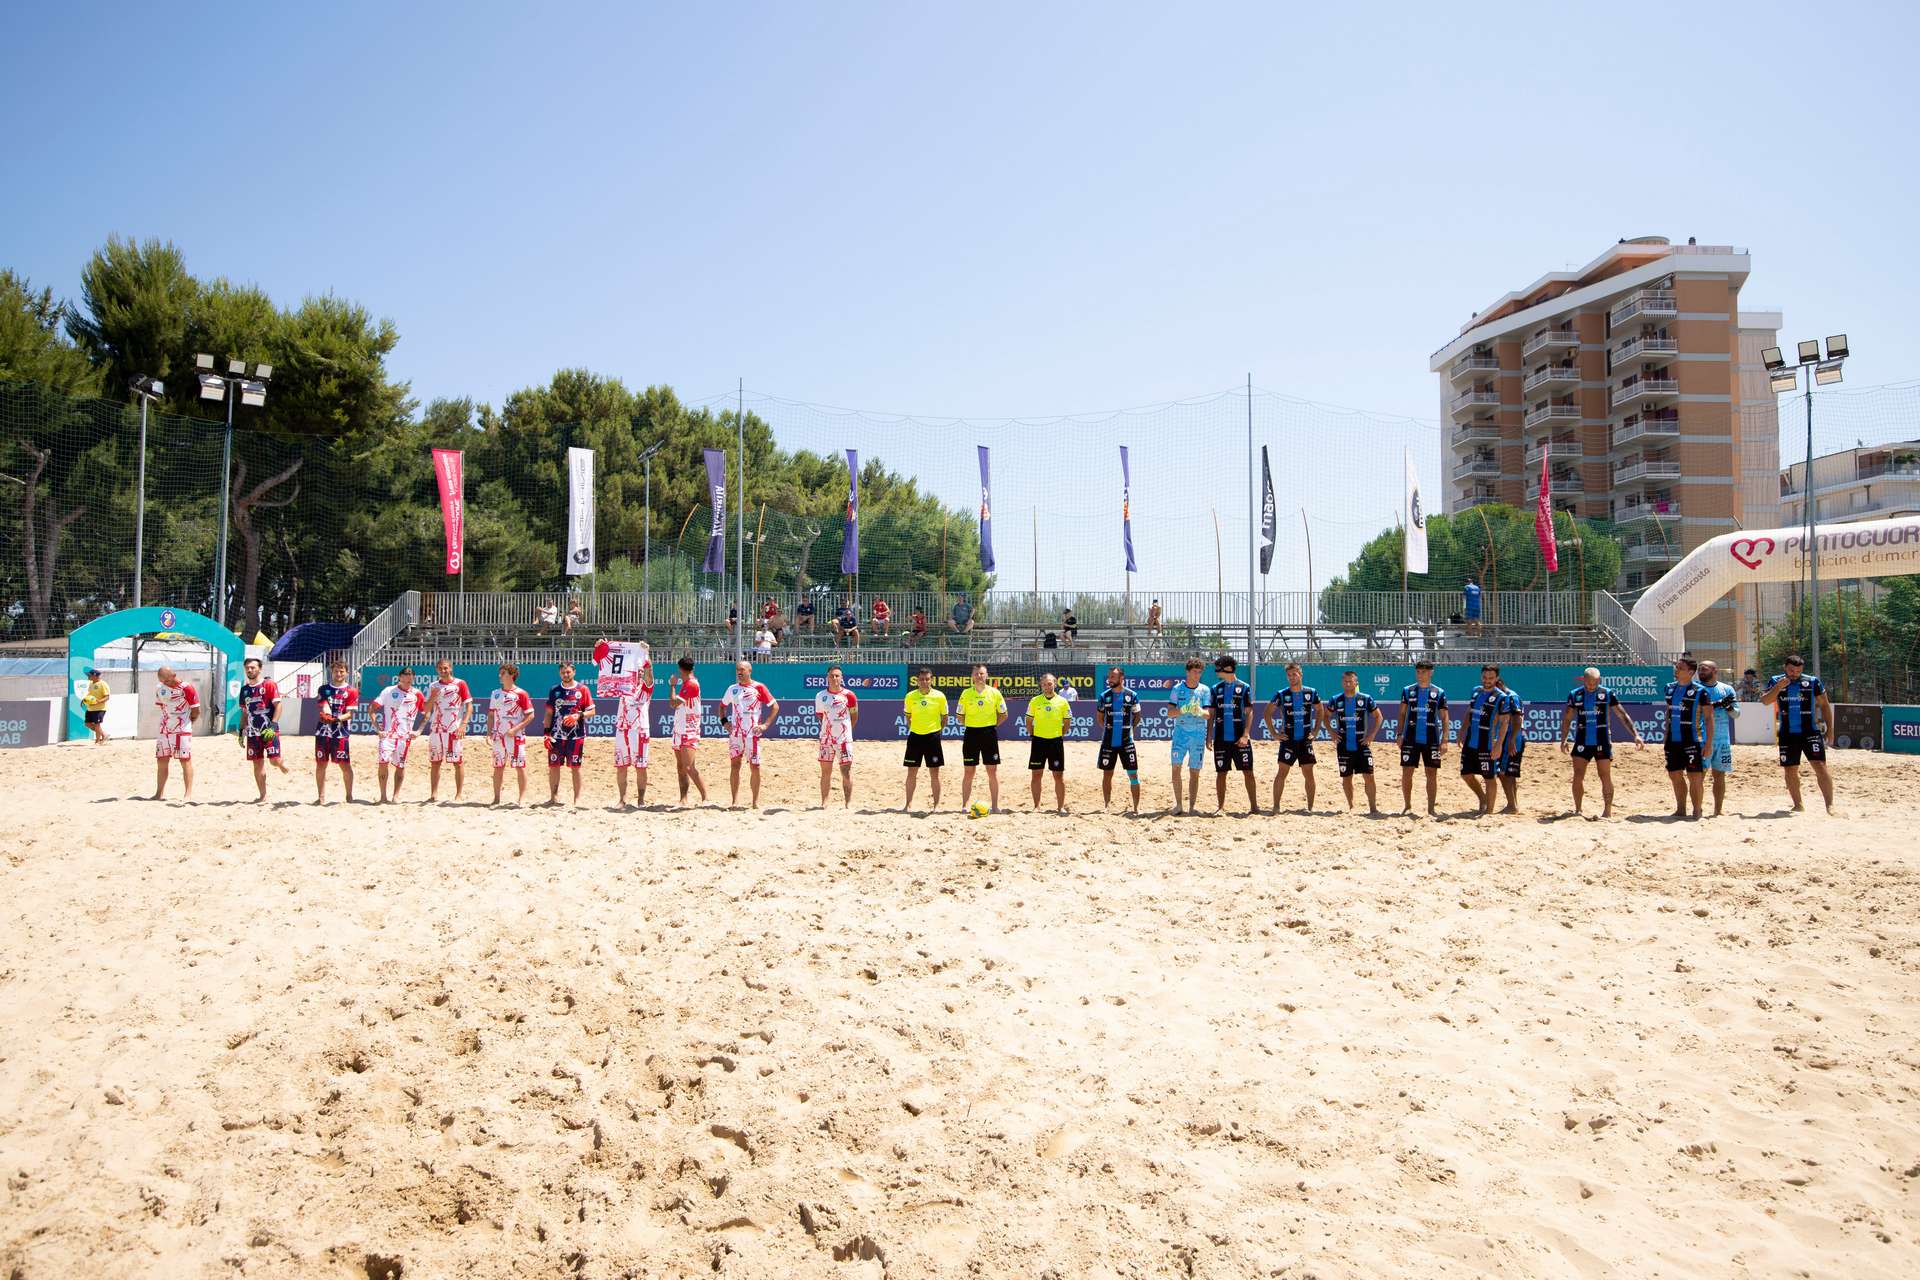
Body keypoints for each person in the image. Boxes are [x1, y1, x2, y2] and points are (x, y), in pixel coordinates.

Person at [1559, 666, 1644, 818]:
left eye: (1595, 682)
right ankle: (1578, 809)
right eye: (1589, 682)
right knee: (1578, 774)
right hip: (1582, 739)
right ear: (1583, 680)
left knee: (1604, 775)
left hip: (1602, 739)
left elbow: (1622, 715)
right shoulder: (1575, 694)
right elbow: (1567, 718)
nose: (1592, 685)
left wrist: (1635, 735)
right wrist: (1563, 739)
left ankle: (1607, 811)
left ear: (1599, 680)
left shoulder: (1607, 693)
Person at [1762, 654, 1835, 813]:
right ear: (1784, 667)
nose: (1794, 674)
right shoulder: (1775, 680)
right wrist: (1778, 687)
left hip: (1810, 731)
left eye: (1798, 671)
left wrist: (1830, 730)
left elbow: (1824, 705)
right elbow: (1765, 701)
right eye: (1791, 670)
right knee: (1790, 769)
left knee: (1820, 766)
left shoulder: (1813, 681)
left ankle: (1830, 806)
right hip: (1787, 733)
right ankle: (1798, 805)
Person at [720, 659, 779, 808]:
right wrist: (725, 722)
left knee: (755, 767)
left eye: (742, 669)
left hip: (752, 735)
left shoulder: (759, 687)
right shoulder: (732, 689)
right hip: (736, 735)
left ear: (749, 671)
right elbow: (721, 706)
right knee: (735, 765)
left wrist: (765, 725)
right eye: (737, 670)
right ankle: (734, 801)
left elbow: (775, 706)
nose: (739, 672)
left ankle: (755, 802)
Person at [1661, 656, 1714, 820]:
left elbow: (1709, 718)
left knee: (1695, 776)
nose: (1676, 670)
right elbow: (1668, 713)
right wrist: (1665, 735)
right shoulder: (1669, 688)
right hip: (1673, 740)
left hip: (1693, 739)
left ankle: (1697, 811)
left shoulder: (1700, 691)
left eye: (1680, 668)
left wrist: (1708, 744)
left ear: (1691, 673)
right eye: (1676, 667)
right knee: (1674, 775)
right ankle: (1681, 809)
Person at [1264, 663, 1321, 812]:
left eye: (1294, 674)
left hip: (1305, 740)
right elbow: (1267, 713)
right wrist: (1274, 733)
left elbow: (1320, 710)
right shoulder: (1281, 694)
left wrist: (1316, 730)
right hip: (1288, 739)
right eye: (1289, 675)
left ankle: (1310, 808)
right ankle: (1276, 807)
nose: (1291, 677)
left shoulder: (1311, 692)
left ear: (1300, 675)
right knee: (1282, 773)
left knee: (1308, 774)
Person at [1324, 670, 1382, 814]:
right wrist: (1331, 732)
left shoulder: (1366, 699)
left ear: (1356, 683)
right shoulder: (1335, 699)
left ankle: (1373, 808)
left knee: (1369, 776)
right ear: (1342, 682)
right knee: (1347, 778)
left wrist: (1371, 735)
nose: (1348, 684)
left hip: (1362, 744)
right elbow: (1325, 717)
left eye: (1351, 681)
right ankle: (1351, 807)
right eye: (1345, 681)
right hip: (1343, 745)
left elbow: (1379, 717)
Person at [1395, 660, 1449, 815]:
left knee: (1431, 773)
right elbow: (1402, 714)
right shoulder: (1408, 690)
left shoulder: (1439, 692)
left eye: (1423, 672)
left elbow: (1445, 717)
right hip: (1410, 738)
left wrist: (1445, 740)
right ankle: (1407, 806)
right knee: (1407, 771)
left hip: (1432, 738)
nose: (1420, 675)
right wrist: (1399, 734)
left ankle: (1431, 809)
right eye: (1418, 671)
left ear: (1431, 672)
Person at [1458, 665, 1510, 818]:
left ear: (1497, 678)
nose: (1487, 680)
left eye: (1491, 678)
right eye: (1485, 677)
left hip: (1487, 743)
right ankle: (1482, 798)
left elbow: (1505, 722)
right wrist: (1461, 731)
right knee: (1466, 774)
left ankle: (1489, 812)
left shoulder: (1502, 697)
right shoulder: (1475, 691)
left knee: (1489, 777)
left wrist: (1498, 745)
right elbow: (1469, 711)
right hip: (1470, 741)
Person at [605, 647, 653, 810]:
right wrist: (603, 647)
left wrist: (646, 656)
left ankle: (641, 800)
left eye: (641, 672)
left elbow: (649, 675)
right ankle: (622, 799)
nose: (639, 674)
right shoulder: (622, 686)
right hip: (622, 729)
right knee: (621, 766)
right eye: (636, 671)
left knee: (641, 767)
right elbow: (609, 668)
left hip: (639, 731)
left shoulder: (646, 688)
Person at [237, 657, 290, 803]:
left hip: (269, 730)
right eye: (247, 668)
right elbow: (245, 713)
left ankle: (280, 763)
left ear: (260, 669)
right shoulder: (244, 690)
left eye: (253, 667)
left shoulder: (269, 684)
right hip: (252, 733)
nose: (250, 670)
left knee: (274, 760)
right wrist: (241, 731)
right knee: (257, 763)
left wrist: (273, 724)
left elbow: (278, 706)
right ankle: (263, 796)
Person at [542, 661, 596, 807]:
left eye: (568, 672)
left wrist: (578, 715)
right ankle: (553, 798)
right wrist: (546, 733)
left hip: (576, 735)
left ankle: (577, 799)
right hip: (556, 736)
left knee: (575, 767)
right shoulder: (554, 690)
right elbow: (549, 713)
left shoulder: (582, 689)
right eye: (563, 672)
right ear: (559, 673)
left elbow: (592, 711)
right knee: (554, 766)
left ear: (574, 672)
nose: (565, 675)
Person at [419, 658, 473, 802]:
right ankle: (433, 794)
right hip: (436, 729)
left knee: (457, 762)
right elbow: (426, 709)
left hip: (454, 729)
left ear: (450, 668)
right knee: (435, 762)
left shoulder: (460, 683)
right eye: (440, 668)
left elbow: (469, 706)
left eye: (445, 668)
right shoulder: (433, 686)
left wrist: (464, 724)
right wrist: (433, 696)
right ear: (437, 670)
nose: (443, 671)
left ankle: (458, 794)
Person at [1211, 656, 1258, 814]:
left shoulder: (1244, 687)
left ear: (1228, 669)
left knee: (1248, 772)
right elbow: (1212, 714)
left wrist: (1245, 735)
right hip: (1221, 739)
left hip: (1240, 738)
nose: (1216, 671)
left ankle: (1254, 807)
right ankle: (1220, 807)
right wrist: (1209, 736)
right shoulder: (1216, 688)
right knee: (1221, 773)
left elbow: (1249, 712)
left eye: (1218, 668)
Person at [958, 663, 1007, 812]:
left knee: (992, 771)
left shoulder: (995, 693)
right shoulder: (966, 693)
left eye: (982, 673)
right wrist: (973, 724)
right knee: (968, 771)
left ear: (987, 675)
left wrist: (991, 726)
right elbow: (960, 716)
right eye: (976, 674)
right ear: (972, 676)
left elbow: (1004, 714)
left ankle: (995, 806)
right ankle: (964, 805)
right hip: (971, 734)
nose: (979, 676)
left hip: (989, 734)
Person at [1166, 658, 1212, 815]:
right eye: (1194, 672)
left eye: (1199, 672)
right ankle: (1179, 805)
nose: (1197, 675)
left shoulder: (1204, 690)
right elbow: (1170, 713)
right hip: (1180, 734)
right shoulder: (1177, 689)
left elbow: (1208, 715)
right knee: (1176, 768)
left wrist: (1199, 710)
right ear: (1187, 672)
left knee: (1194, 771)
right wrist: (1184, 709)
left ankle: (1192, 807)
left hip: (1198, 734)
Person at [372, 667, 425, 804]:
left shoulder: (417, 694)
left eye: (411, 676)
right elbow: (371, 709)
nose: (408, 678)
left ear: (413, 678)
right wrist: (378, 729)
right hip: (388, 735)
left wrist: (419, 731)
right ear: (399, 677)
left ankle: (396, 795)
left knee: (400, 766)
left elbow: (427, 713)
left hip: (404, 738)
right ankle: (383, 796)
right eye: (405, 675)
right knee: (383, 763)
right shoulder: (388, 691)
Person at [1094, 665, 1142, 813]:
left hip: (1127, 742)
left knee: (1133, 774)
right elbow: (1100, 718)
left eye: (1113, 677)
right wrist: (1109, 730)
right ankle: (1106, 806)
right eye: (1109, 677)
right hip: (1108, 742)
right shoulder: (1104, 696)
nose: (1109, 679)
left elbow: (1137, 716)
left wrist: (1129, 730)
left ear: (1121, 678)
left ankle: (1136, 807)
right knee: (1107, 774)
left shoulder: (1132, 695)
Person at [901, 666, 949, 811]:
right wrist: (915, 728)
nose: (924, 682)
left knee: (934, 773)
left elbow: (944, 717)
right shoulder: (910, 696)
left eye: (927, 679)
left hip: (932, 737)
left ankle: (936, 806)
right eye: (921, 679)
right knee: (911, 772)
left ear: (931, 680)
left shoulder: (939, 696)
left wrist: (936, 731)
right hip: (915, 737)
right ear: (917, 681)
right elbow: (908, 716)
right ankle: (908, 805)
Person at [149, 665, 200, 801]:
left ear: (173, 675)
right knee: (161, 759)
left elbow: (196, 710)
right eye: (162, 681)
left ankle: (187, 794)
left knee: (185, 759)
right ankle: (159, 793)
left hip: (182, 728)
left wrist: (187, 723)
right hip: (164, 728)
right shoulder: (160, 688)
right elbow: (162, 706)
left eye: (167, 680)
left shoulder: (186, 688)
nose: (165, 683)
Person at [488, 663, 536, 806]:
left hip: (515, 737)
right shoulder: (495, 693)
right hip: (498, 736)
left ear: (512, 675)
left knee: (519, 767)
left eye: (503, 673)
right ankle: (496, 798)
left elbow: (531, 715)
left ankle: (521, 798)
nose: (500, 675)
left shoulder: (521, 693)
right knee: (498, 767)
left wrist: (515, 729)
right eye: (500, 673)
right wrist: (489, 733)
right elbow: (491, 715)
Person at [1697, 659, 1739, 817]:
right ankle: (1697, 809)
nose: (1701, 672)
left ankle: (1718, 810)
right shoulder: (1695, 688)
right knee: (1699, 775)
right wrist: (1715, 704)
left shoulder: (1726, 689)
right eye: (1700, 669)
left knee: (1720, 775)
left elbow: (1736, 714)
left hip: (1722, 740)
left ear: (1715, 671)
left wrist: (1728, 706)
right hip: (1701, 738)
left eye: (1704, 669)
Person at [313, 659, 359, 804]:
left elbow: (350, 714)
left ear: (347, 673)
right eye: (336, 671)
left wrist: (336, 719)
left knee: (344, 765)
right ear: (331, 672)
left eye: (341, 671)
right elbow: (324, 705)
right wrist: (327, 715)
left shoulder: (351, 691)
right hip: (322, 731)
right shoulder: (324, 688)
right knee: (321, 764)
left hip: (341, 732)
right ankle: (321, 797)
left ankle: (349, 796)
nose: (338, 674)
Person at [1026, 672, 1072, 813]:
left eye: (1050, 684)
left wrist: (1059, 734)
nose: (1047, 686)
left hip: (1055, 742)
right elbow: (1029, 720)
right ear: (1041, 685)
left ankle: (1060, 807)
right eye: (1044, 684)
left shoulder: (1062, 701)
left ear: (1055, 684)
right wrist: (1033, 734)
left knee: (1058, 776)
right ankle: (1036, 806)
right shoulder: (1035, 701)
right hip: (1038, 741)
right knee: (1036, 774)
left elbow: (1067, 722)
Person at [815, 663, 859, 807]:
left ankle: (848, 803)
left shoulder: (849, 695)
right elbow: (820, 715)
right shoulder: (820, 696)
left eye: (837, 676)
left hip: (844, 739)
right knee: (825, 772)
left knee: (846, 771)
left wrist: (845, 731)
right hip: (826, 739)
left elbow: (854, 716)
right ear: (827, 677)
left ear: (841, 678)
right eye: (831, 676)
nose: (834, 678)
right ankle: (824, 802)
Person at [668, 656, 708, 806]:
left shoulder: (691, 684)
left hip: (689, 729)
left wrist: (672, 685)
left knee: (689, 767)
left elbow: (673, 703)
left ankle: (705, 798)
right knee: (681, 767)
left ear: (680, 669)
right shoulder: (687, 683)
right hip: (680, 728)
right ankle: (683, 799)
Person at [1493, 674, 1526, 814]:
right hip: (1511, 736)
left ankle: (1512, 805)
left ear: (1499, 684)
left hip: (1512, 737)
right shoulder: (1507, 696)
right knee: (1509, 773)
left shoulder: (1510, 696)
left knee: (1503, 772)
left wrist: (1512, 740)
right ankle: (1513, 803)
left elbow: (1517, 719)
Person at [81, 667, 110, 743]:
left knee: (97, 724)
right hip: (90, 708)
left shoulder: (103, 684)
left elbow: (107, 697)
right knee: (87, 724)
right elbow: (90, 695)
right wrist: (85, 700)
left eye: (89, 675)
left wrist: (99, 701)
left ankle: (97, 741)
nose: (88, 676)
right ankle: (104, 734)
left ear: (95, 676)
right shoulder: (91, 684)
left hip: (99, 708)